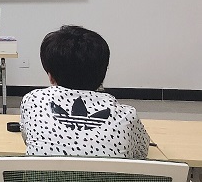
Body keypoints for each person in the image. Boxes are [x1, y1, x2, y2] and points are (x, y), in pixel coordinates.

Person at [20, 25, 149, 158]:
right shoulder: (127, 116)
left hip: (42, 172)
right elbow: (141, 153)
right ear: (102, 74)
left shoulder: (32, 101)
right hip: (108, 172)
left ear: (50, 76)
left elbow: (28, 138)